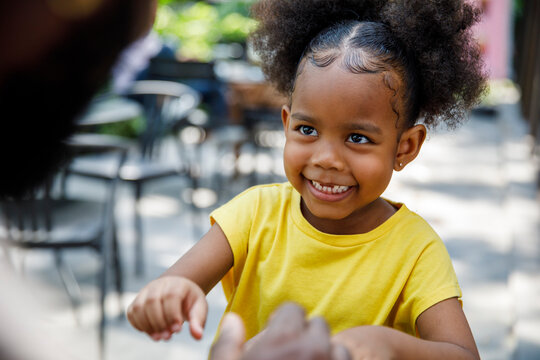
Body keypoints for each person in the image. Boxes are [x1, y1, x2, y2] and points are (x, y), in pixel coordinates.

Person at [127, 0, 487, 358]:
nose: (326, 159)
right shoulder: (254, 215)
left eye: (357, 138)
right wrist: (168, 293)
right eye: (307, 129)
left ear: (405, 147)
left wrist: (393, 346)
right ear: (286, 124)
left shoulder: (415, 249)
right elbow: (172, 283)